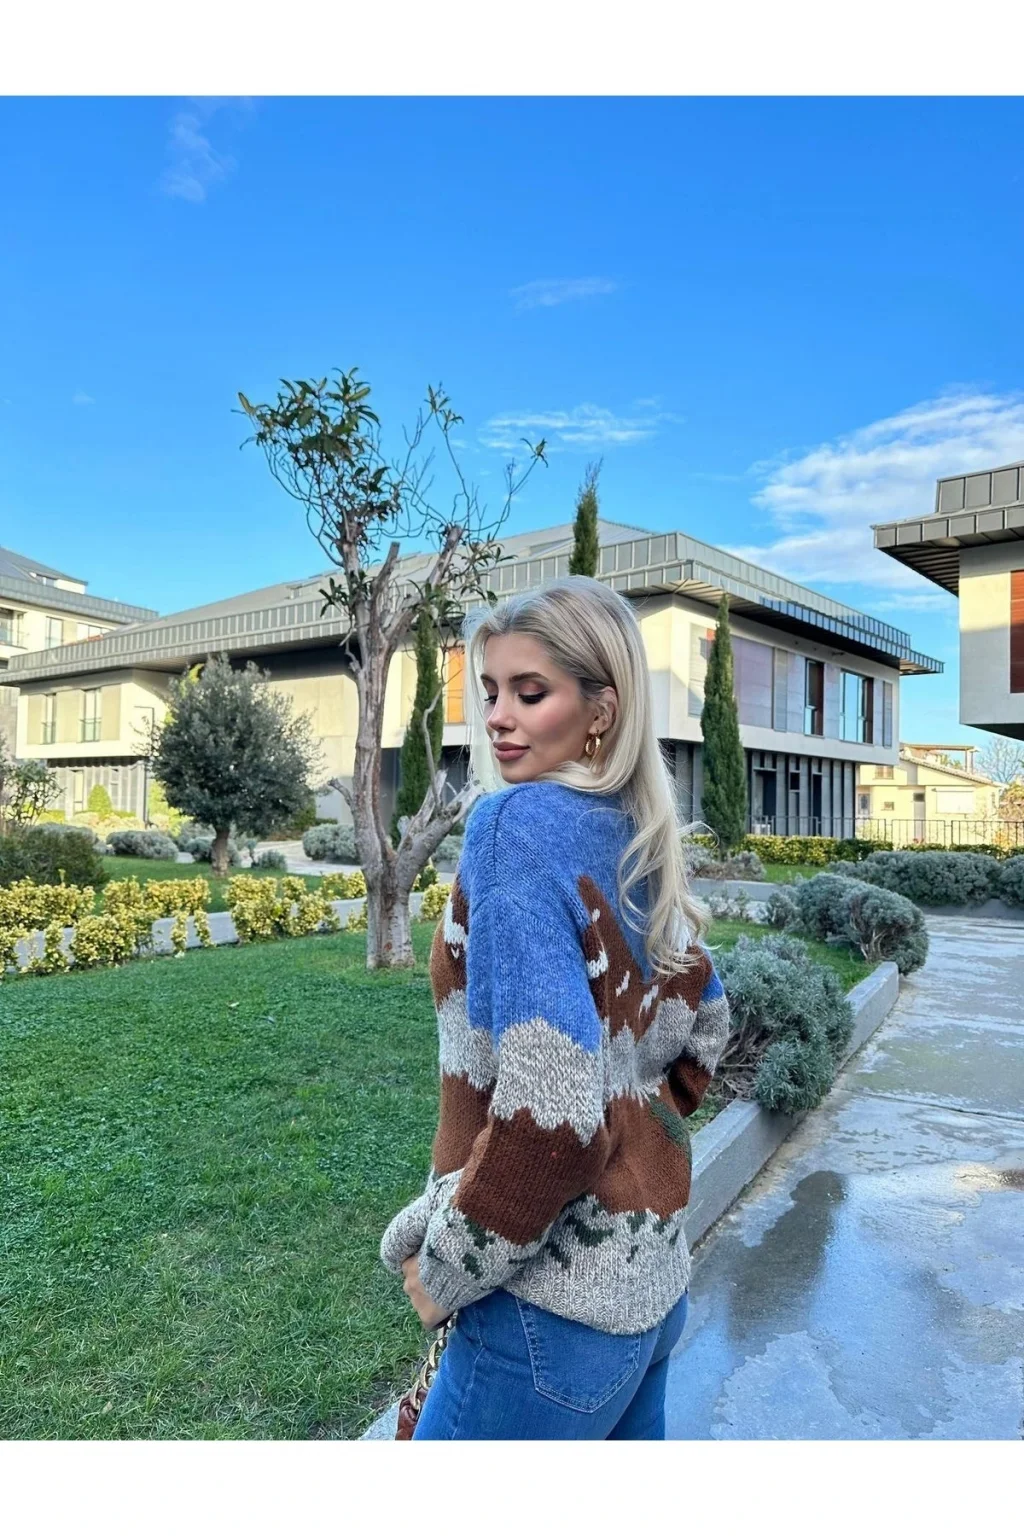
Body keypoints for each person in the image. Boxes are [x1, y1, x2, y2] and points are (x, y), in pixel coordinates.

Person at [380, 574, 731, 1439]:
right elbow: (706, 1029)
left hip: (545, 1318)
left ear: (601, 709)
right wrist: (633, 1123)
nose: (498, 717)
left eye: (530, 693)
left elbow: (553, 1118)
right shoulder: (635, 830)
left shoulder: (513, 832)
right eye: (490, 691)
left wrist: (447, 1265)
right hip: (651, 1295)